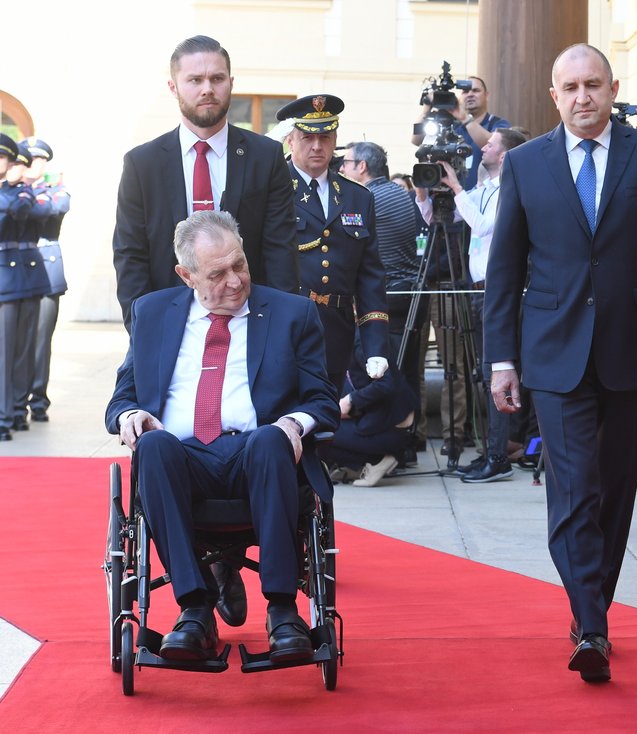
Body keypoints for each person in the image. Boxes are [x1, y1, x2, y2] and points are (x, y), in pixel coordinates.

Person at [483, 44, 637, 682]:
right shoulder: (525, 165)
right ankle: (594, 627)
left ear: (612, 89)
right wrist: (501, 359)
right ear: (554, 96)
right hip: (552, 353)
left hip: (632, 350)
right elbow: (504, 271)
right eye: (569, 88)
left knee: (615, 492)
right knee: (574, 488)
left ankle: (591, 610)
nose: (583, 98)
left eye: (593, 85)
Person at [105, 210, 339, 663]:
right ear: (186, 275)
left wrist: (294, 423)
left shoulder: (292, 313)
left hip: (259, 455)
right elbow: (121, 398)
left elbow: (323, 400)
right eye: (218, 273)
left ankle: (283, 609)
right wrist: (131, 415)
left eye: (240, 265)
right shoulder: (152, 313)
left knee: (273, 438)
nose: (235, 281)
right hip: (181, 459)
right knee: (151, 446)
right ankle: (195, 609)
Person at [113, 35, 298, 331]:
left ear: (231, 83)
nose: (208, 89)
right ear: (173, 87)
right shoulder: (142, 163)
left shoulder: (266, 156)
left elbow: (280, 250)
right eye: (195, 80)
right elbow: (130, 255)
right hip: (168, 326)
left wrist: (278, 329)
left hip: (251, 323)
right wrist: (143, 328)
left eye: (217, 78)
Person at [418, 128, 529, 482]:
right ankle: (492, 452)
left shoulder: (511, 189)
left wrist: (456, 188)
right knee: (484, 374)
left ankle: (498, 455)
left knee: (494, 372)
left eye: (492, 143)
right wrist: (425, 193)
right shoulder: (483, 189)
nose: (485, 146)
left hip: (497, 290)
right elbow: (444, 220)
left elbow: (482, 227)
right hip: (477, 289)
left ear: (506, 155)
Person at [276, 95, 390, 392]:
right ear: (291, 140)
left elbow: (370, 276)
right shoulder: (272, 190)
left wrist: (375, 343)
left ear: (335, 139)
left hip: (337, 329)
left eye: (324, 137)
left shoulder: (357, 197)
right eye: (307, 137)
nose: (317, 146)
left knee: (326, 421)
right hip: (285, 326)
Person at [341, 142, 425, 414]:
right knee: (410, 371)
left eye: (347, 162)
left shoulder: (368, 199)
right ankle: (410, 441)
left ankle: (391, 442)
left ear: (362, 167)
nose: (341, 168)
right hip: (410, 294)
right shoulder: (401, 193)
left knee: (385, 375)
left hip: (387, 297)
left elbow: (353, 251)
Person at [0, 136, 51, 441]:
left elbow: (20, 208)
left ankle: (8, 414)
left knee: (10, 352)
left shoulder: (20, 193)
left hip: (10, 280)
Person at [20, 138, 70, 424]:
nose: (33, 165)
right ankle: (14, 398)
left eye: (39, 160)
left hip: (46, 273)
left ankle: (37, 399)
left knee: (40, 341)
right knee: (15, 343)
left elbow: (50, 210)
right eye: (28, 159)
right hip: (16, 274)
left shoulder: (52, 191)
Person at [324, 338, 419, 487]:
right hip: (376, 421)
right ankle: (358, 465)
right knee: (321, 428)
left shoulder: (361, 343)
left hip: (393, 427)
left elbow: (386, 383)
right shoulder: (346, 342)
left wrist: (350, 400)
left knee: (317, 435)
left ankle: (378, 460)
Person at [411, 75, 511, 191]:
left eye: (476, 90)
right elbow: (416, 140)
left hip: (482, 194)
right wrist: (426, 109)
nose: (470, 94)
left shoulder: (497, 123)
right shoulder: (451, 124)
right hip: (449, 193)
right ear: (460, 97)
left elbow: (490, 144)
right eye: (465, 91)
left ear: (486, 95)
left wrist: (464, 118)